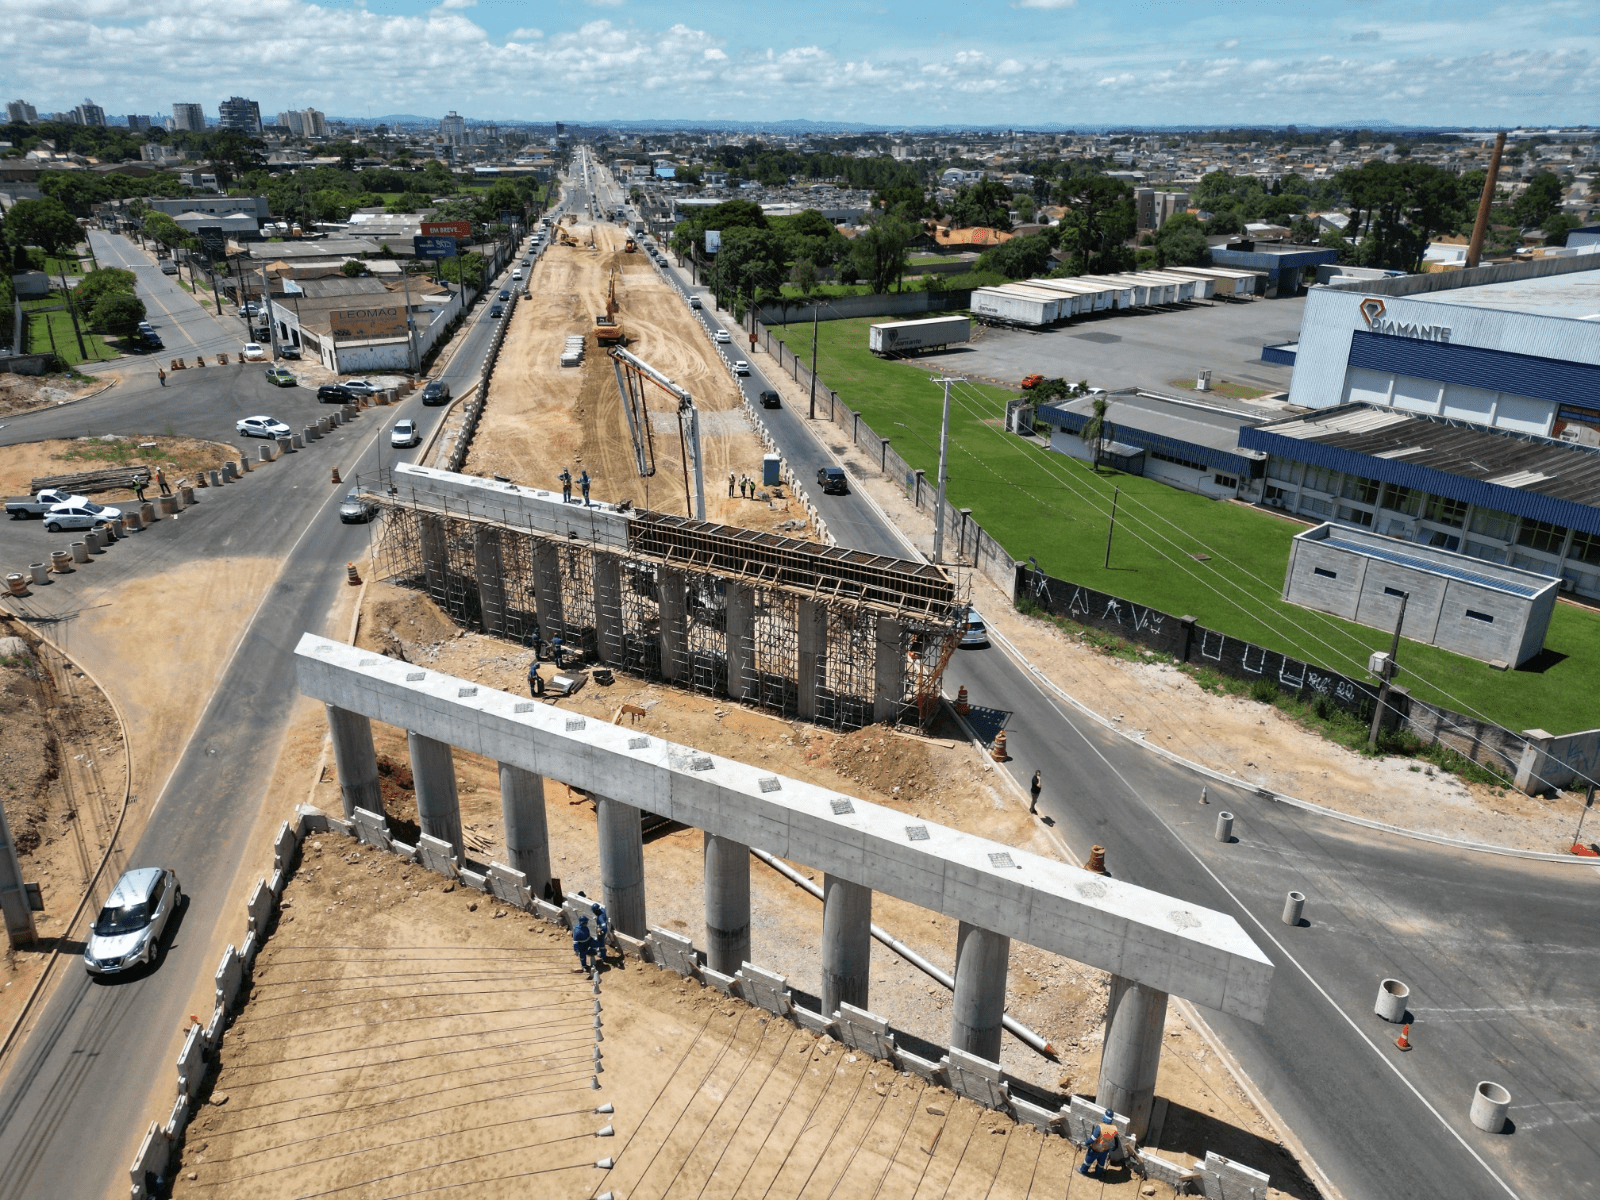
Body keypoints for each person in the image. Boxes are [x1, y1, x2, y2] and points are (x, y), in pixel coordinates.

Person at [1080, 1112, 1118, 1176]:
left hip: (1095, 1149)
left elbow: (1092, 1139)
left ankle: (1083, 1171)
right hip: (1105, 1150)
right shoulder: (1114, 1128)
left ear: (1104, 1117)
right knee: (1101, 1164)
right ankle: (1098, 1174)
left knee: (1087, 1162)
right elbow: (1116, 1140)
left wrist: (1085, 1142)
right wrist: (1114, 1147)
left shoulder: (1099, 1127)